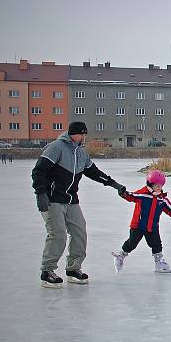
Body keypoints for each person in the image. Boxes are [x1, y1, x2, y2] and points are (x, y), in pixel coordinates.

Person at [31, 121, 125, 288]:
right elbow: (39, 171)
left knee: (80, 232)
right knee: (57, 234)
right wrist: (40, 194)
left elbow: (94, 173)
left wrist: (114, 184)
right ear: (73, 134)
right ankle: (47, 271)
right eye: (81, 134)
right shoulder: (56, 147)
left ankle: (73, 269)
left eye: (84, 134)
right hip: (52, 199)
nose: (84, 137)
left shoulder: (81, 153)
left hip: (71, 200)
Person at [111, 170, 171, 273]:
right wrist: (123, 193)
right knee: (132, 243)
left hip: (152, 227)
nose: (159, 188)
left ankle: (159, 263)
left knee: (156, 244)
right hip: (138, 226)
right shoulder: (143, 195)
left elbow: (170, 209)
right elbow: (131, 196)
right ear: (150, 184)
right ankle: (120, 256)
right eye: (157, 185)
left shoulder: (162, 199)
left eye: (161, 185)